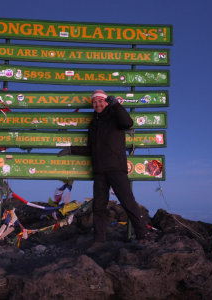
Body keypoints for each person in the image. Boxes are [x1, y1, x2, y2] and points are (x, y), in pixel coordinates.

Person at [58, 90, 149, 252]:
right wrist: (71, 149)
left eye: (101, 101)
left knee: (128, 202)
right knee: (99, 207)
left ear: (106, 102)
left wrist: (117, 105)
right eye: (95, 102)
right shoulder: (94, 124)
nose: (98, 104)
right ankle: (99, 240)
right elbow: (92, 149)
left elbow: (128, 123)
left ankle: (143, 236)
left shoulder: (115, 116)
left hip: (116, 169)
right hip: (100, 171)